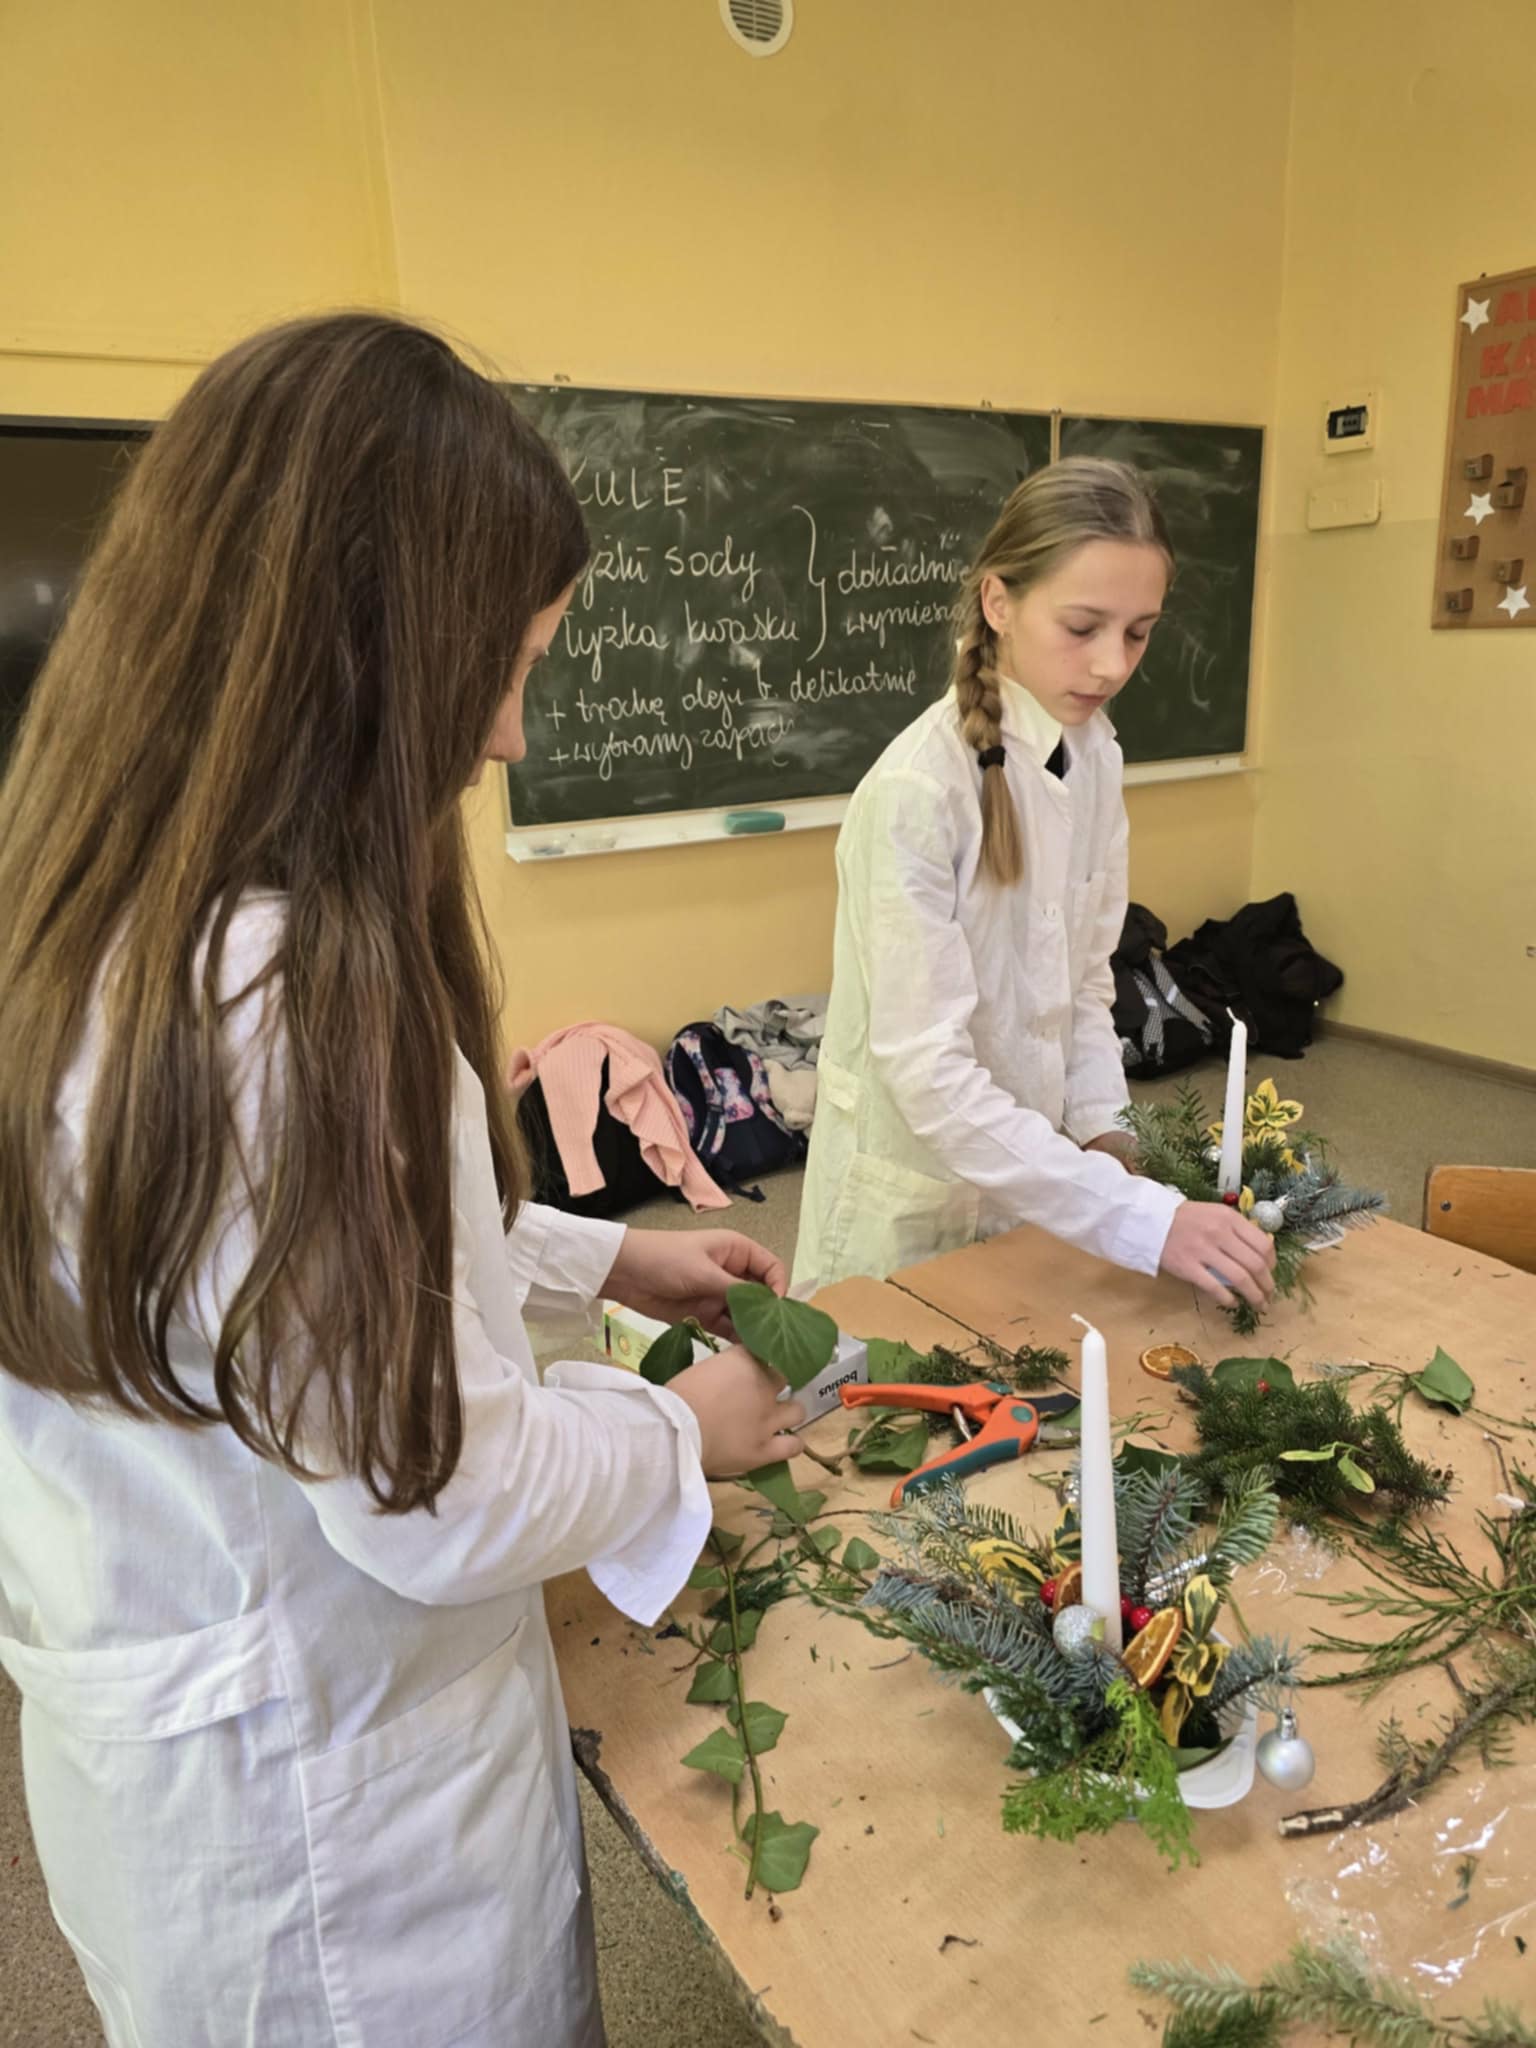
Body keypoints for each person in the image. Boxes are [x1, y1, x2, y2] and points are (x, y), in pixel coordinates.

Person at [0, 313, 804, 2048]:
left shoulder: (91, 909)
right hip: (343, 1856)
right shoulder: (290, 1007)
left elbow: (286, 1265)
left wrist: (600, 1262)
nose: (507, 734)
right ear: (359, 650)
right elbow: (438, 1491)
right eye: (501, 666)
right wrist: (682, 1431)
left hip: (177, 1777)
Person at [792, 457, 1276, 1317]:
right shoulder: (917, 792)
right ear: (999, 602)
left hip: (1034, 1184)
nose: (1112, 665)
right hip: (911, 1196)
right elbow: (929, 1073)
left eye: (1139, 633)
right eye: (1082, 626)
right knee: (893, 1374)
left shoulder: (1095, 756)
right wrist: (1131, 1215)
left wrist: (1107, 1132)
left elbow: (1085, 985)